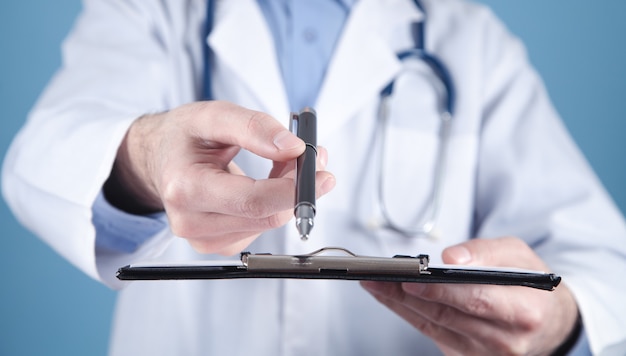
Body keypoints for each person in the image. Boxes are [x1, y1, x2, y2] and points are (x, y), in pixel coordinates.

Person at [2, 0, 626, 355]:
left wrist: (562, 322)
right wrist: (146, 156)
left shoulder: (472, 42)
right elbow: (46, 154)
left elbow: (604, 261)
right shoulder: (154, 11)